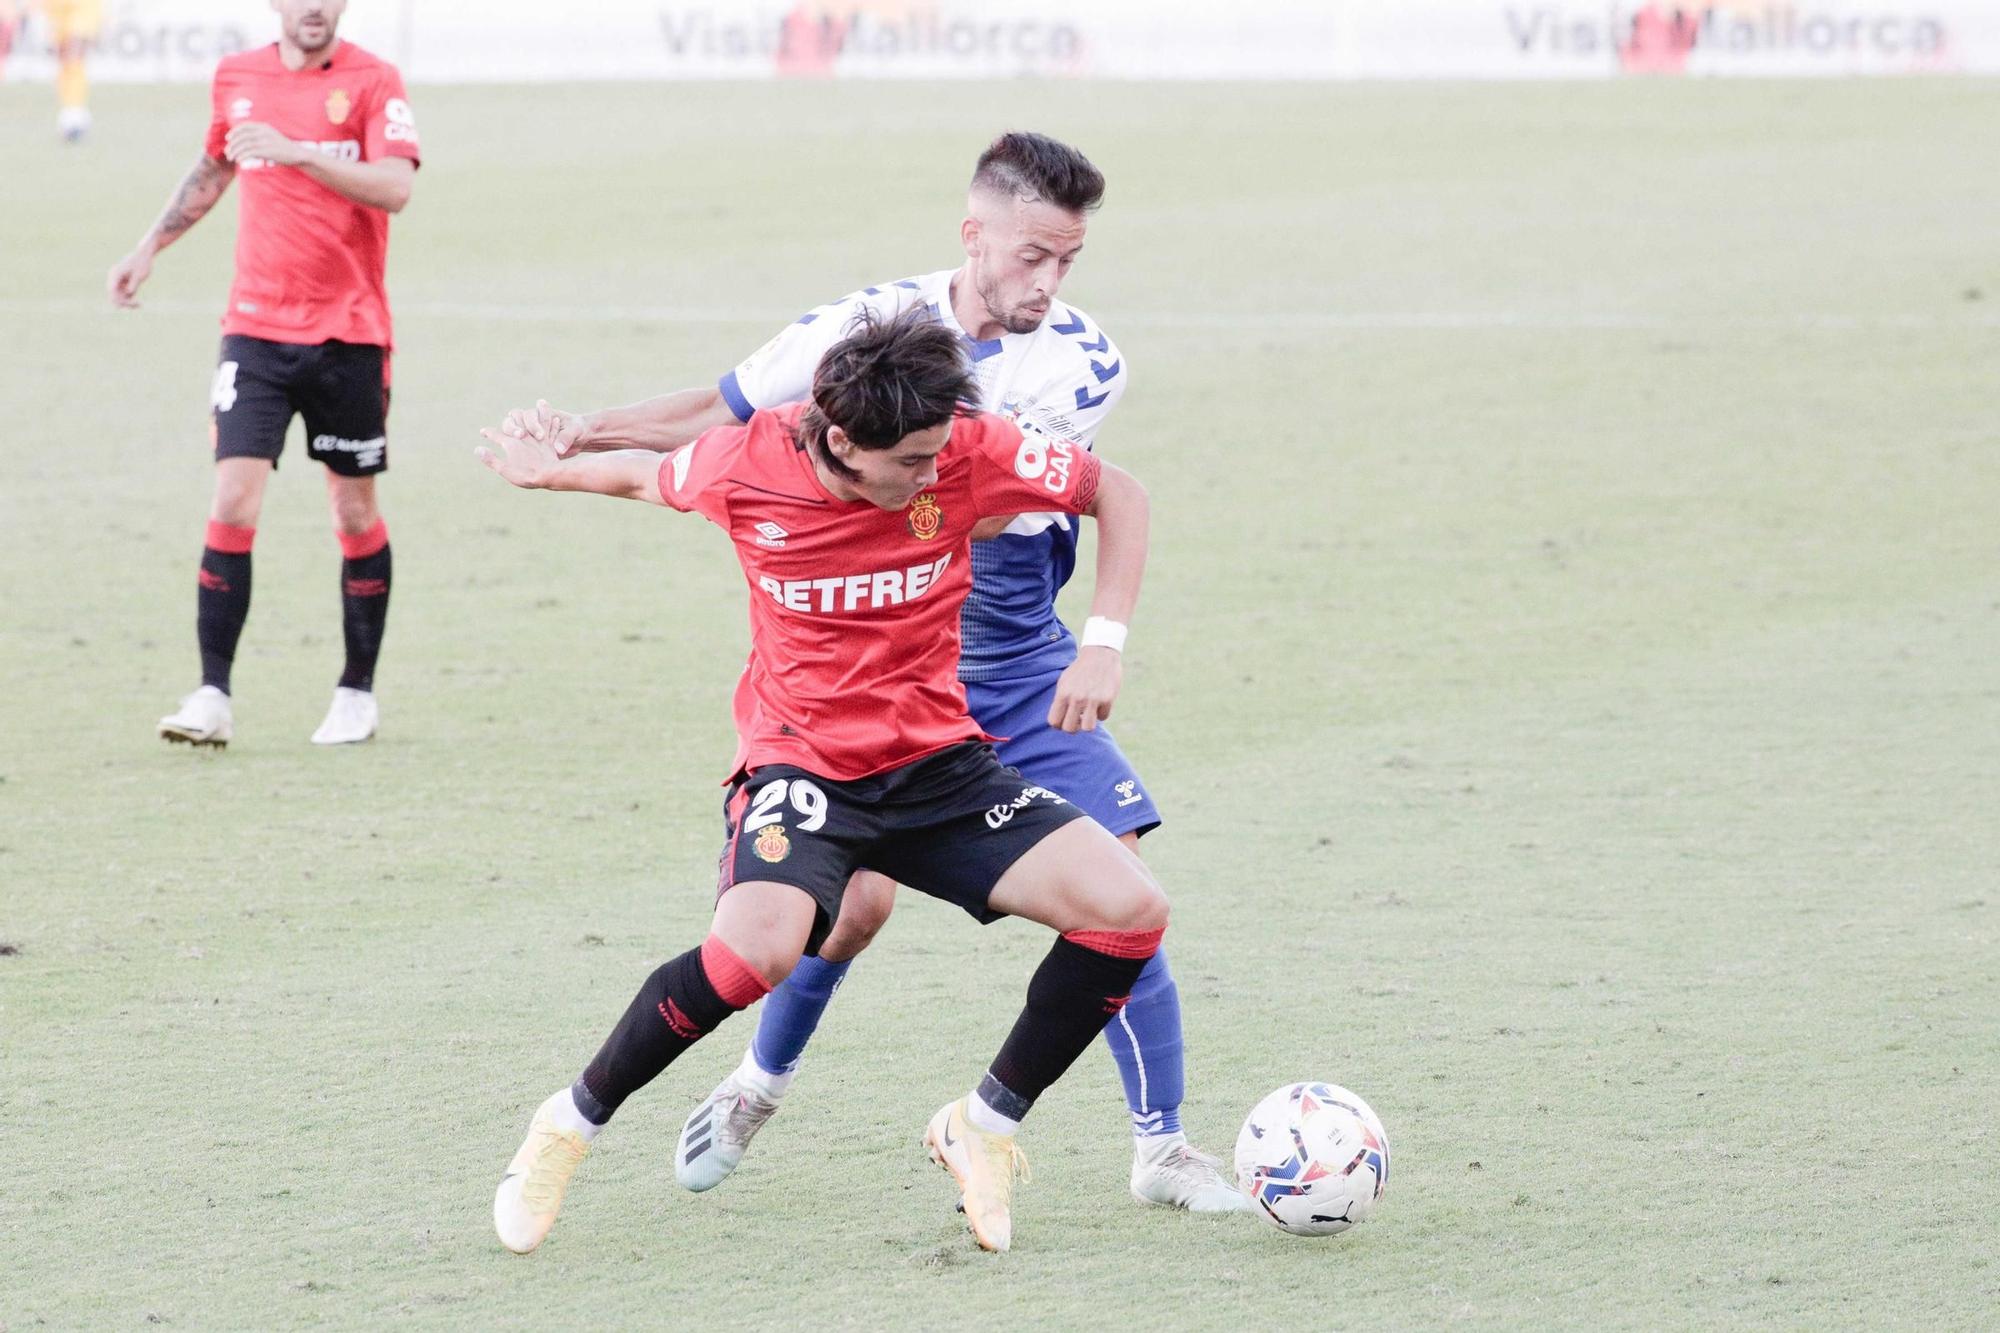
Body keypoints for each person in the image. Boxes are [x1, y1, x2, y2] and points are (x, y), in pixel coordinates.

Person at [500, 132, 1244, 1212]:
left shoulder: (986, 433)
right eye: (1029, 255)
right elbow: (654, 463)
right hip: (809, 759)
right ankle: (586, 1120)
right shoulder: (764, 444)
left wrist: (1103, 638)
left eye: (1065, 260)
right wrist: (557, 457)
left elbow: (1110, 490)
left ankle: (1033, 1131)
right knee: (790, 938)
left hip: (962, 723)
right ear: (837, 438)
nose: (929, 476)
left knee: (1126, 901)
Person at [107, 0, 419, 748]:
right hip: (255, 330)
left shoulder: (375, 80)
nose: (313, 7)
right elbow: (217, 163)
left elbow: (396, 188)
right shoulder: (236, 76)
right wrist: (149, 246)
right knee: (233, 496)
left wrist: (299, 149)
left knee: (351, 511)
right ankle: (212, 692)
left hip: (349, 335)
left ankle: (355, 692)